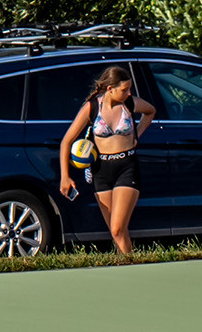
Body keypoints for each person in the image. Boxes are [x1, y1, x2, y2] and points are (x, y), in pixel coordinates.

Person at [57, 66, 156, 255]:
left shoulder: (129, 104)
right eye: (124, 89)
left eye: (129, 89)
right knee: (116, 231)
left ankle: (129, 265)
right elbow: (66, 142)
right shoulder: (92, 107)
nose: (129, 93)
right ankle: (128, 265)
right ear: (110, 89)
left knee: (118, 228)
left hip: (126, 167)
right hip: (101, 170)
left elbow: (150, 111)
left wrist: (137, 135)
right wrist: (65, 176)